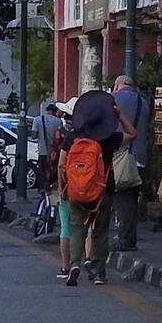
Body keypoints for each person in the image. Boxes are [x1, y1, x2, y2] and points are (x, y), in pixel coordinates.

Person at [54, 93, 133, 286]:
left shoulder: (72, 137)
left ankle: (74, 264)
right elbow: (133, 134)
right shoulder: (109, 138)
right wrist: (120, 116)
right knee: (100, 231)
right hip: (102, 190)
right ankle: (99, 272)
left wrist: (62, 189)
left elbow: (61, 165)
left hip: (76, 190)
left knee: (77, 228)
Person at [111, 76, 151, 251]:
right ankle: (129, 237)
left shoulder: (112, 99)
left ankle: (125, 239)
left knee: (122, 199)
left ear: (118, 85)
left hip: (121, 156)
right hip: (140, 156)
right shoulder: (144, 102)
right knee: (132, 199)